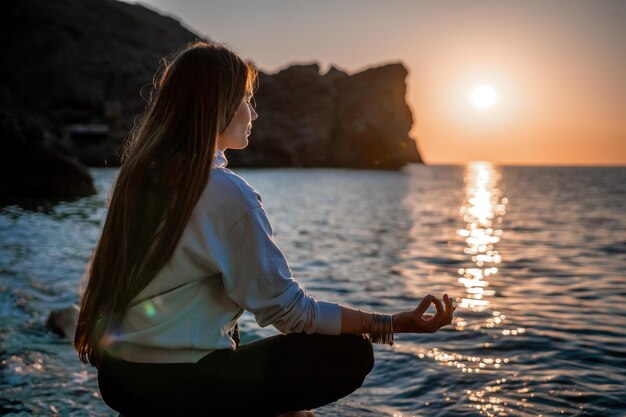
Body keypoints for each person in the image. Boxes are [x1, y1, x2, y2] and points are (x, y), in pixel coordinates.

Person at [74, 41, 455, 417]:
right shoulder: (224, 193)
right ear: (218, 106)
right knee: (349, 352)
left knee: (232, 322)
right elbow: (290, 312)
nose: (252, 113)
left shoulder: (139, 176)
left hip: (120, 379)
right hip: (176, 387)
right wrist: (390, 323)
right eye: (244, 100)